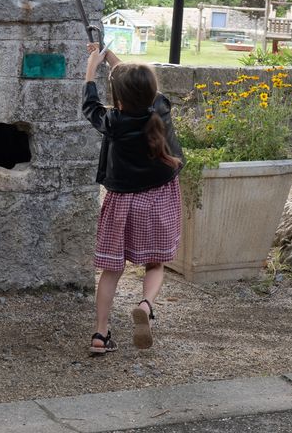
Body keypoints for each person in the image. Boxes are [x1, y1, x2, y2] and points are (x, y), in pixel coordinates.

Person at [82, 42, 183, 354]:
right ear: (151, 90)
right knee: (155, 262)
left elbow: (91, 107)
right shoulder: (160, 108)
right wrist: (111, 58)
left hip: (122, 202)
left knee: (112, 270)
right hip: (159, 198)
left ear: (119, 98)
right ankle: (145, 304)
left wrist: (91, 70)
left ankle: (100, 334)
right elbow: (137, 87)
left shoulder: (114, 121)